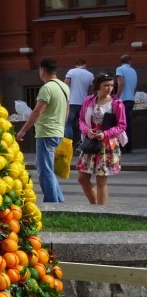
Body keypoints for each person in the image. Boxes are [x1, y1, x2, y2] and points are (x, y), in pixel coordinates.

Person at [15, 58, 70, 203]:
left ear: (42, 70)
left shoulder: (47, 88)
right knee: (44, 166)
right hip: (57, 131)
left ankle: (52, 202)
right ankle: (59, 200)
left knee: (44, 169)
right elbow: (67, 109)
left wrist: (23, 130)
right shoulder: (64, 87)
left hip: (46, 132)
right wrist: (61, 126)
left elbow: (37, 112)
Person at [77, 73, 128, 205]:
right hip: (90, 142)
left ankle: (101, 211)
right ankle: (95, 206)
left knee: (101, 180)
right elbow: (81, 120)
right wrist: (87, 130)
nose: (110, 88)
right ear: (98, 86)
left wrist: (105, 133)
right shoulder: (88, 100)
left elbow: (122, 125)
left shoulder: (117, 103)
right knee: (82, 178)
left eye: (112, 85)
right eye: (106, 85)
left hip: (107, 144)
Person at [63, 59, 94, 141]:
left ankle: (69, 143)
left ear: (76, 65)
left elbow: (65, 84)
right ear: (85, 65)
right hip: (84, 103)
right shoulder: (90, 75)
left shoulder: (71, 72)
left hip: (71, 101)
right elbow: (90, 91)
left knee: (68, 124)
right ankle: (81, 143)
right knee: (82, 124)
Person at [114, 54, 138, 153]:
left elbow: (121, 84)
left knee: (121, 123)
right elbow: (134, 85)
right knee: (128, 123)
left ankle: (123, 146)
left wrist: (116, 97)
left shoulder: (119, 69)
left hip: (123, 99)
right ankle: (129, 146)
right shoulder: (133, 70)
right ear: (129, 61)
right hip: (131, 98)